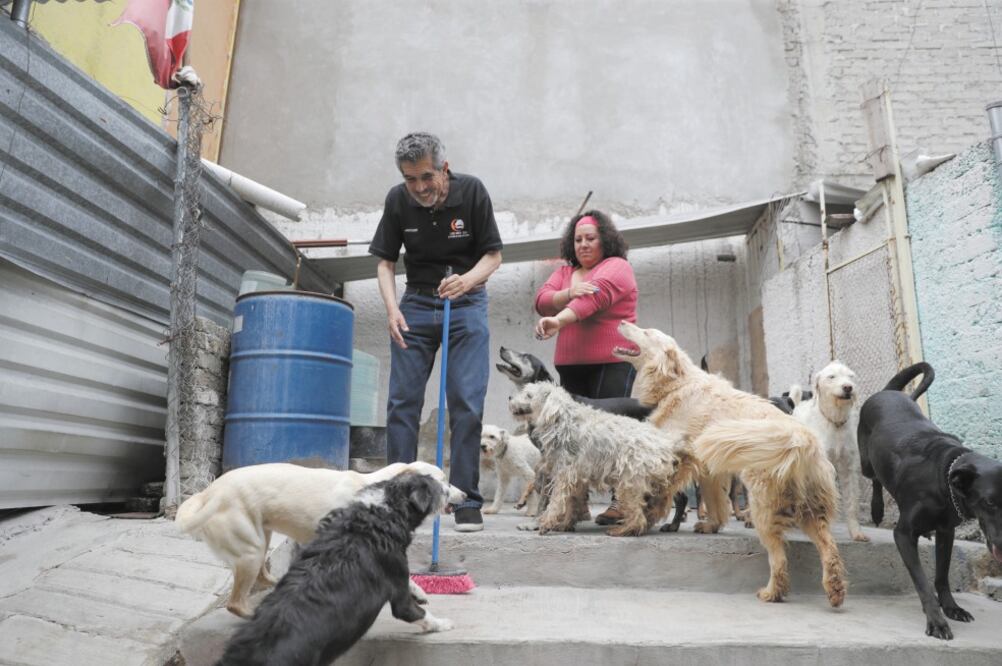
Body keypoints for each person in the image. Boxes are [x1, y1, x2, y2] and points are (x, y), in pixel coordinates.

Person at [369, 132, 503, 532]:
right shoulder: (398, 200)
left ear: (444, 168)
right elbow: (385, 263)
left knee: (465, 399)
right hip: (416, 304)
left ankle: (465, 499)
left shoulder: (473, 192)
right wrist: (392, 308)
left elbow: (493, 255)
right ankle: (401, 497)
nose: (420, 188)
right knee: (402, 402)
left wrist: (467, 281)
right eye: (411, 179)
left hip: (465, 303)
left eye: (427, 177)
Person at [533, 210, 638, 525]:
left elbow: (593, 299)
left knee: (613, 435)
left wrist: (559, 317)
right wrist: (566, 294)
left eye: (590, 238)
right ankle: (576, 505)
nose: (583, 244)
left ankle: (624, 502)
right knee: (571, 441)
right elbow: (542, 299)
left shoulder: (617, 267)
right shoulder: (566, 272)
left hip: (613, 362)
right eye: (578, 239)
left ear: (605, 239)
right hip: (571, 366)